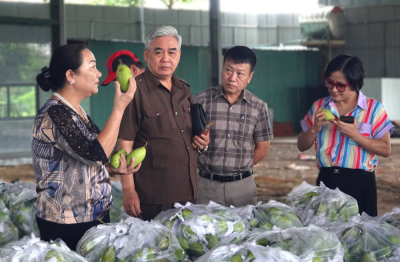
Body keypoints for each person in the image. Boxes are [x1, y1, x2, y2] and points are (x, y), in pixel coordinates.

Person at [33, 44, 140, 250]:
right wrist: (119, 107)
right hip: (66, 224)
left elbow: (81, 158)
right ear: (71, 75)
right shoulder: (56, 114)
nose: (99, 73)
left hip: (92, 217)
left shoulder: (76, 111)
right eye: (92, 66)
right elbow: (96, 154)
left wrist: (110, 169)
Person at [117, 26, 210, 221]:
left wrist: (202, 142)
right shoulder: (135, 91)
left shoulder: (184, 89)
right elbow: (124, 142)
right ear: (147, 54)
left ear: (179, 55)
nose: (165, 58)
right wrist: (128, 190)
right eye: (158, 52)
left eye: (172, 52)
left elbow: (190, 136)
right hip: (153, 197)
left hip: (188, 192)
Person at [298, 55, 394, 216]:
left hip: (361, 183)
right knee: (327, 234)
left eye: (341, 85)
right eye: (329, 83)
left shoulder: (373, 109)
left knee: (359, 235)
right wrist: (314, 129)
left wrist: (356, 135)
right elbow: (301, 145)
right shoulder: (319, 106)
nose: (334, 89)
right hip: (327, 180)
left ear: (355, 83)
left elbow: (386, 149)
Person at [194, 46, 273, 207]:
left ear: (250, 76)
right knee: (203, 230)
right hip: (206, 186)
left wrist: (238, 169)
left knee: (243, 231)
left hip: (242, 188)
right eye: (228, 70)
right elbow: (189, 141)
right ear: (222, 69)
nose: (232, 78)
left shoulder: (258, 107)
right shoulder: (201, 101)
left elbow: (263, 149)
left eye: (240, 73)